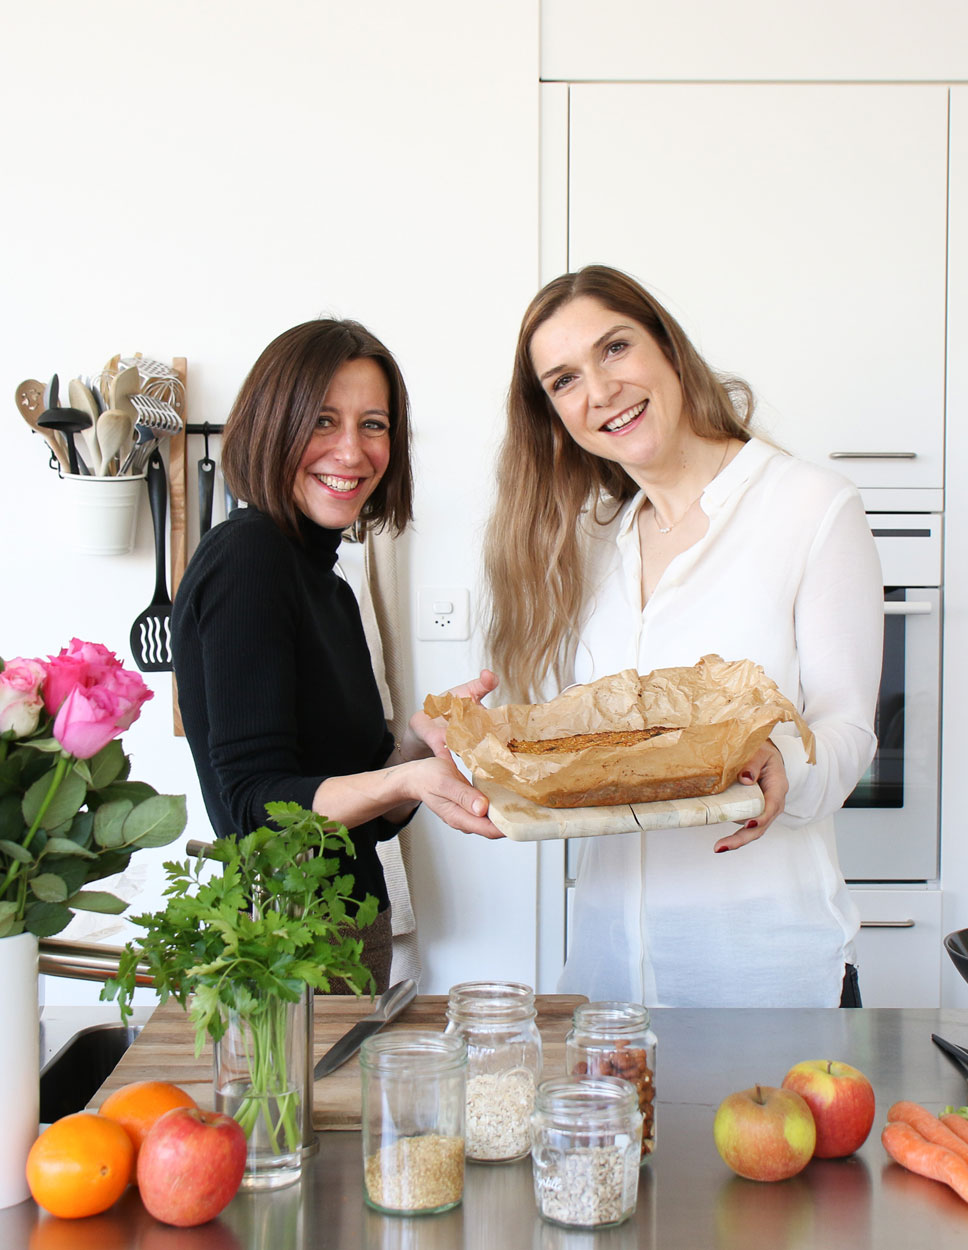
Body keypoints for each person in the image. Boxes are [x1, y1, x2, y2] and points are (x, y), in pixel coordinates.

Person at [483, 265, 883, 1008]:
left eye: (614, 349)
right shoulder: (592, 542)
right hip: (604, 985)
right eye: (564, 381)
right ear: (554, 415)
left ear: (668, 347)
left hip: (770, 975)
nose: (599, 392)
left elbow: (850, 727)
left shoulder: (809, 506)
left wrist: (777, 759)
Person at [173, 318, 500, 994]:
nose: (352, 452)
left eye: (373, 425)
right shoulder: (248, 559)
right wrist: (406, 782)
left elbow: (356, 809)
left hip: (344, 930)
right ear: (272, 423)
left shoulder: (324, 577)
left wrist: (414, 748)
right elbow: (254, 809)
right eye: (323, 420)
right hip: (286, 942)